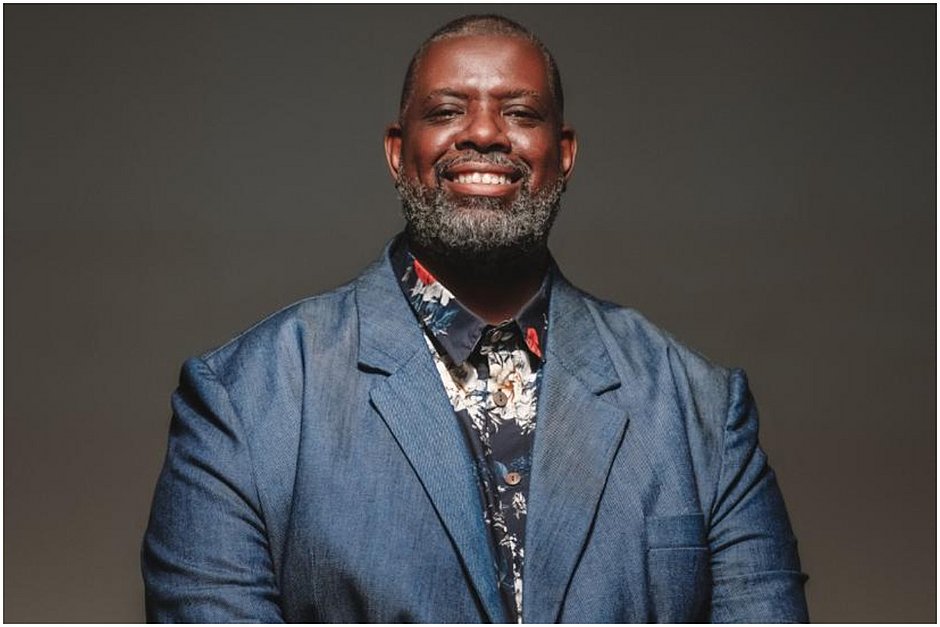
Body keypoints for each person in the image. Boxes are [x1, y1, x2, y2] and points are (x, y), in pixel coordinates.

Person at [142, 14, 808, 623]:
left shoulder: (701, 410)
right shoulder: (244, 402)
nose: (485, 133)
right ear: (397, 151)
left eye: (520, 112)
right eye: (446, 110)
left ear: (564, 155)